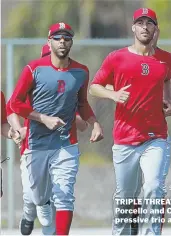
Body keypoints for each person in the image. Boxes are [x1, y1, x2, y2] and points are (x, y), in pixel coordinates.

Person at [9, 22, 103, 235]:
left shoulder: (81, 71)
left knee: (64, 196)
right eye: (58, 38)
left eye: (67, 38)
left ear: (71, 42)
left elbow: (82, 103)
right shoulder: (34, 69)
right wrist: (43, 118)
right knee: (40, 198)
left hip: (65, 144)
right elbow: (15, 103)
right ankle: (35, 209)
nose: (62, 41)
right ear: (49, 41)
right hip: (36, 144)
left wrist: (94, 122)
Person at [89, 8, 171, 235]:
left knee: (154, 187)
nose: (145, 27)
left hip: (156, 138)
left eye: (150, 23)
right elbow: (94, 87)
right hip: (125, 139)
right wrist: (114, 95)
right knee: (125, 196)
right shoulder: (117, 57)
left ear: (156, 29)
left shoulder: (167, 60)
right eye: (140, 22)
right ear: (133, 27)